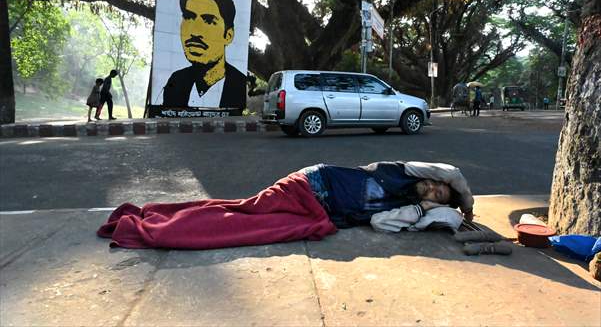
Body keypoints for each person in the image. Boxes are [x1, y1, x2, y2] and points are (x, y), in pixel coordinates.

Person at [98, 161, 474, 250]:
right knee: (241, 214)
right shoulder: (404, 172)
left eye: (437, 193)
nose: (432, 186)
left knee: (239, 221)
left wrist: (427, 211)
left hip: (317, 212)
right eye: (437, 185)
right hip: (308, 184)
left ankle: (160, 220)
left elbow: (381, 224)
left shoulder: (408, 208)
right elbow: (451, 171)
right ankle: (152, 220)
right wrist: (467, 204)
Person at [162, 0, 246, 110]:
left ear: (228, 35)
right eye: (189, 17)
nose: (195, 32)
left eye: (209, 21)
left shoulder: (240, 84)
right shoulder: (176, 81)